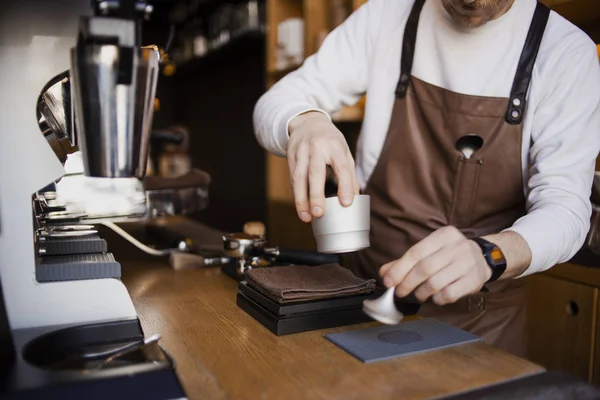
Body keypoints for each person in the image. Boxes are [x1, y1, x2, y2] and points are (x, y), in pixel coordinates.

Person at [252, 0, 600, 357]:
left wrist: (491, 254)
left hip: (482, 329)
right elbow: (276, 101)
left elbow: (568, 210)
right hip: (361, 306)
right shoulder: (387, 15)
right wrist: (306, 120)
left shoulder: (566, 52)